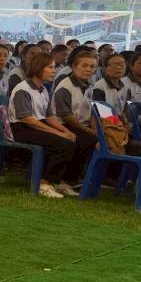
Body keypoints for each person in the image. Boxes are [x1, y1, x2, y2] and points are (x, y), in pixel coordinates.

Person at [8, 51, 77, 199]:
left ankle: (58, 181)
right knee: (61, 144)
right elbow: (27, 119)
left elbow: (49, 117)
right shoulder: (23, 89)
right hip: (21, 129)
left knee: (72, 139)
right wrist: (58, 133)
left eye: (54, 67)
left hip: (36, 125)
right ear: (38, 68)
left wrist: (65, 131)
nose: (54, 71)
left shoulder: (44, 89)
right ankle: (43, 183)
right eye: (50, 67)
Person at [49, 49, 99, 194]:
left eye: (92, 66)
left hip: (80, 125)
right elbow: (66, 116)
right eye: (84, 66)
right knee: (87, 139)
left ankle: (78, 177)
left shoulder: (88, 85)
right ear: (73, 66)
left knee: (98, 138)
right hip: (62, 125)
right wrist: (89, 131)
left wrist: (95, 129)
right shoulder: (65, 86)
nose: (88, 69)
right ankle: (66, 179)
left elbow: (91, 111)